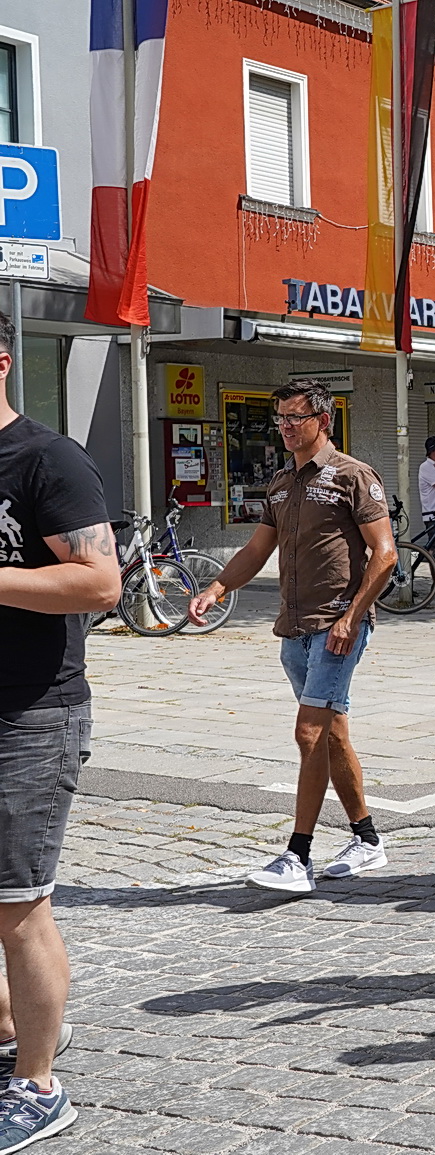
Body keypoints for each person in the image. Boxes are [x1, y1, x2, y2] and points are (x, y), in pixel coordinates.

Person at [190, 381, 398, 893]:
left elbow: (386, 553)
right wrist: (216, 587)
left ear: (322, 421)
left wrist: (352, 617)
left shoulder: (353, 476)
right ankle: (367, 839)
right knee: (331, 734)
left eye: (294, 417)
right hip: (293, 629)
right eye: (279, 417)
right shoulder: (281, 483)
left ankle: (297, 855)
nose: (284, 426)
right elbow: (258, 550)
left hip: (337, 628)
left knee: (308, 733)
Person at [0, 308, 121, 1150]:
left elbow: (100, 582)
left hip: (32, 710)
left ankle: (38, 1083)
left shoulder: (46, 459)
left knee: (17, 904)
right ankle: (13, 1029)